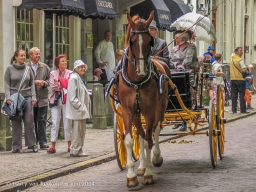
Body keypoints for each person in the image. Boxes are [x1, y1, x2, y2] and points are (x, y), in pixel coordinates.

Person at [4, 49, 38, 153]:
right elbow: (7, 84)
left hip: (27, 97)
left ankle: (32, 144)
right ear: (16, 57)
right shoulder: (9, 69)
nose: (23, 57)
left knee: (29, 121)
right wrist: (8, 97)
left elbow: (32, 83)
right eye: (21, 55)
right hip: (15, 98)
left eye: (24, 55)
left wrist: (34, 97)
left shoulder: (28, 69)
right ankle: (16, 146)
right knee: (16, 122)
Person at [170, 29, 199, 131]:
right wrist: (176, 66)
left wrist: (182, 65)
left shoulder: (191, 47)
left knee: (186, 89)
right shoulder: (174, 48)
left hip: (188, 71)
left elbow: (188, 59)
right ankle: (177, 119)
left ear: (180, 38)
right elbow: (171, 60)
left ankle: (186, 119)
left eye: (176, 37)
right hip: (176, 71)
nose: (174, 39)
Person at [47, 54, 73, 153]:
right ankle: (53, 146)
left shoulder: (70, 73)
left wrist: (60, 83)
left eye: (65, 61)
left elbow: (70, 85)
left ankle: (69, 145)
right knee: (55, 122)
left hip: (66, 100)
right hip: (56, 100)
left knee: (67, 122)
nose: (65, 62)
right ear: (58, 64)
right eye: (63, 61)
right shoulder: (53, 73)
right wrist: (62, 84)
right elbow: (52, 86)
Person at [66, 60, 91, 157]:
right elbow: (72, 97)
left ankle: (77, 149)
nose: (83, 68)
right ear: (76, 68)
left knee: (81, 131)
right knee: (77, 131)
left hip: (80, 111)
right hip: (78, 111)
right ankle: (76, 150)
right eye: (81, 67)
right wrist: (80, 106)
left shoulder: (78, 78)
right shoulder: (74, 78)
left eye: (84, 67)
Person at [27, 47, 50, 150]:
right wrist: (34, 82)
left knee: (42, 120)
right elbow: (22, 82)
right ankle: (33, 142)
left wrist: (44, 83)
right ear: (31, 55)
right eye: (36, 54)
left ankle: (43, 141)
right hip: (30, 98)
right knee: (32, 120)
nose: (38, 56)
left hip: (42, 98)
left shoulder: (45, 67)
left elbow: (50, 80)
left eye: (39, 54)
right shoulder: (25, 67)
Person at [230, 47, 249, 114]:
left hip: (233, 78)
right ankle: (243, 109)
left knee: (234, 95)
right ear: (237, 52)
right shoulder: (240, 60)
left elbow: (232, 54)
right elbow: (244, 70)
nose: (242, 52)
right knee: (241, 94)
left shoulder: (232, 59)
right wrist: (247, 69)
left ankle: (234, 109)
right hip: (240, 79)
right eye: (240, 50)